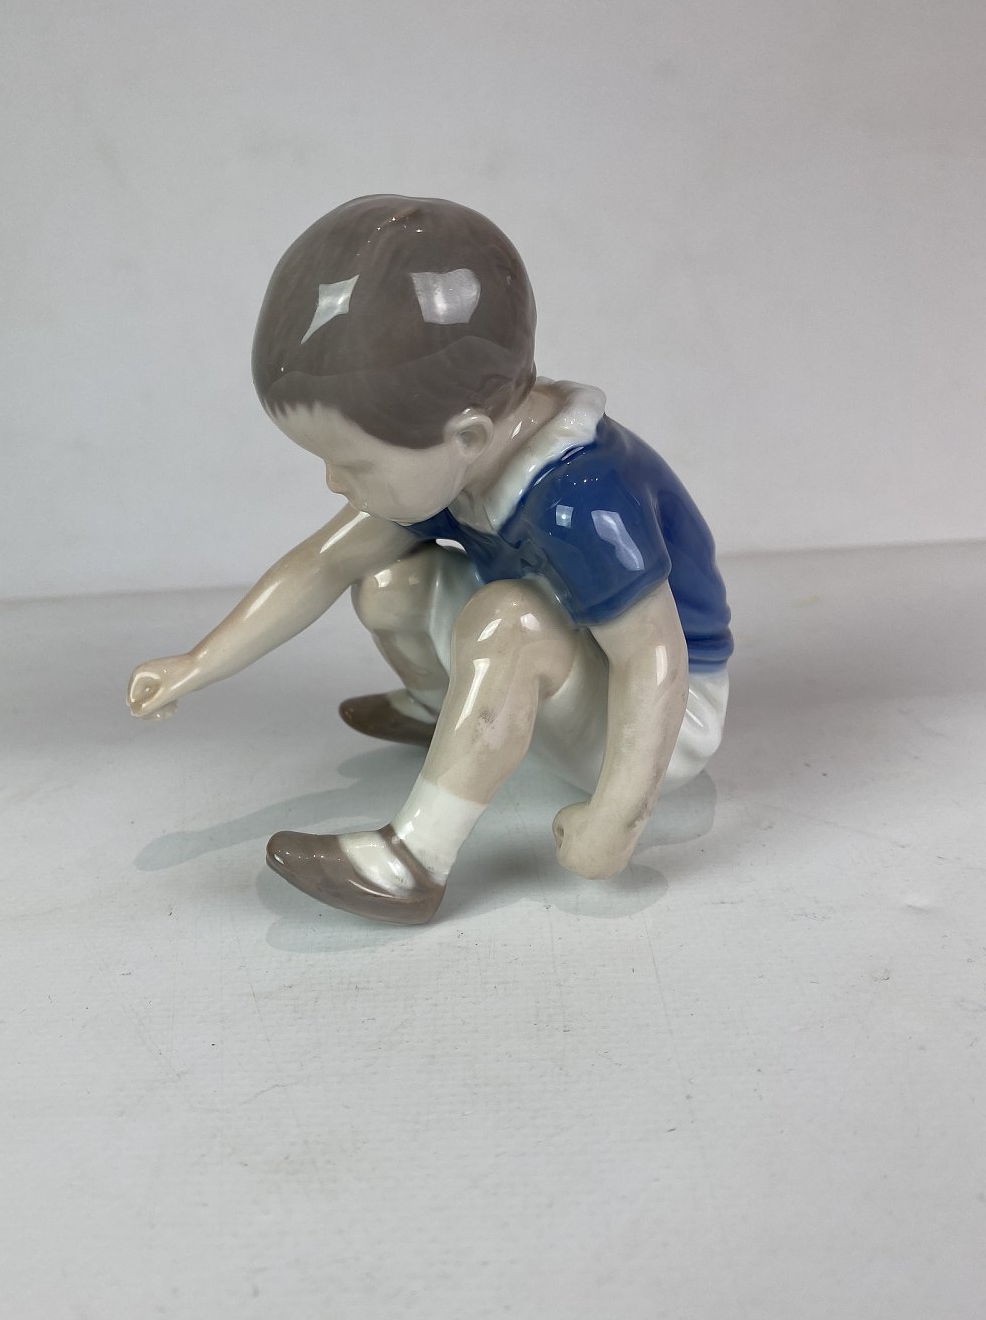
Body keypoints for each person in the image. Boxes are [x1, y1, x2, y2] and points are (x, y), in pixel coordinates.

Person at [128, 195, 732, 924]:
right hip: (578, 667)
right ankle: (445, 710)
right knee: (390, 580)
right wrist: (195, 664)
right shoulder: (451, 463)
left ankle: (412, 861)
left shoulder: (582, 498)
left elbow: (653, 659)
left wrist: (616, 818)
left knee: (507, 619)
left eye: (355, 463)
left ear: (468, 436)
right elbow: (323, 564)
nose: (334, 482)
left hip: (656, 721)